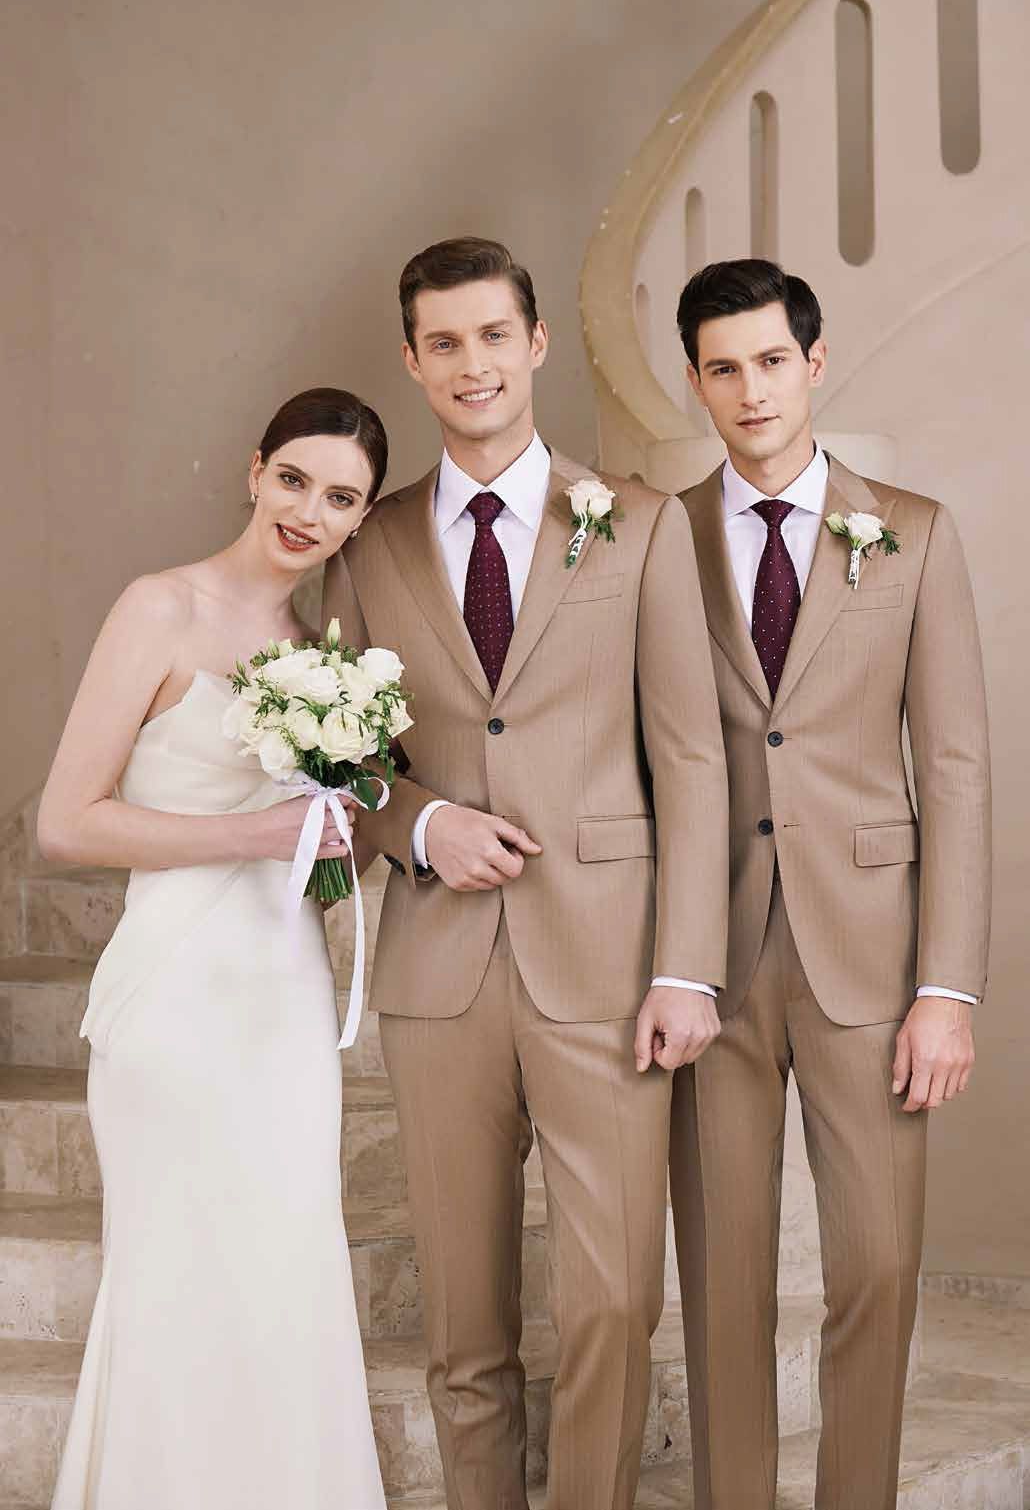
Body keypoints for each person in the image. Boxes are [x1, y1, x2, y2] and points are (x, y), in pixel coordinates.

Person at [323, 237, 729, 1510]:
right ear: (412, 362)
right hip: (438, 976)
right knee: (464, 1323)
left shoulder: (639, 521)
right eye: (443, 342)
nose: (472, 363)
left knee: (613, 1299)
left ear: (537, 342)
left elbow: (692, 754)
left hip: (609, 966)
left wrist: (687, 965)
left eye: (494, 335)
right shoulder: (370, 543)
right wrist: (420, 823)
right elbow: (339, 759)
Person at [669, 259, 991, 1510]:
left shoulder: (911, 531)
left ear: (812, 362)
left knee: (877, 1269)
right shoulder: (657, 538)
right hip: (709, 957)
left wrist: (947, 988)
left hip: (872, 958)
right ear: (694, 382)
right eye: (720, 367)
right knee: (723, 1281)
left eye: (767, 360)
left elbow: (954, 770)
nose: (748, 390)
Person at [39, 388, 388, 1509]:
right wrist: (257, 831)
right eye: (294, 479)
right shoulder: (161, 608)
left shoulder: (328, 655)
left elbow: (327, 851)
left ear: (357, 520)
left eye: (340, 498)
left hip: (283, 995)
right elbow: (65, 821)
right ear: (253, 471)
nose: (309, 511)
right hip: (176, 995)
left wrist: (337, 840)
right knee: (181, 1272)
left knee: (285, 1266)